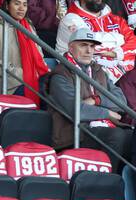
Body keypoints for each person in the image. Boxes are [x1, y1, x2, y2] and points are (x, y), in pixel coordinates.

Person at [49, 25, 128, 154]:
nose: (89, 51)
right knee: (116, 136)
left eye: (92, 46)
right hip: (74, 133)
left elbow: (121, 102)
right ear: (70, 47)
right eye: (83, 45)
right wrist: (107, 113)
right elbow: (76, 110)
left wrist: (96, 100)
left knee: (135, 137)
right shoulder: (61, 74)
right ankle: (108, 174)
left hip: (101, 127)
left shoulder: (98, 70)